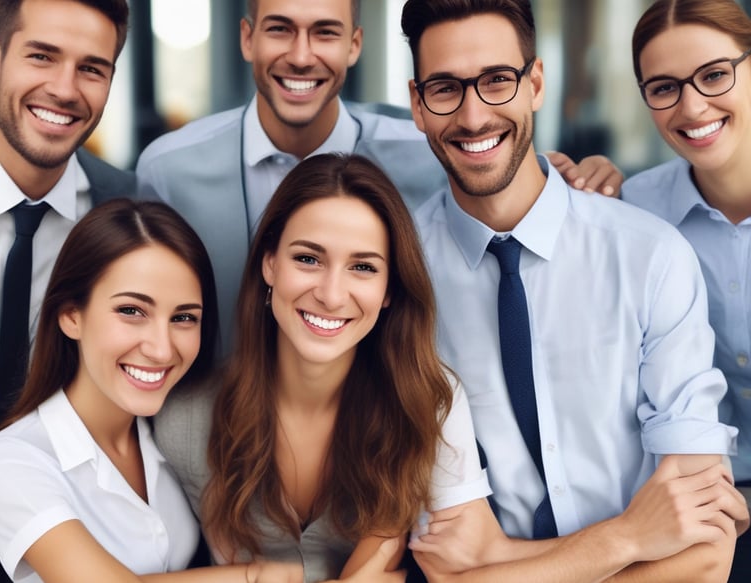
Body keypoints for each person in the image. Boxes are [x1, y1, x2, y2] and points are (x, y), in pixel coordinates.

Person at [398, 0, 749, 581]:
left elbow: (709, 552)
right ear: (417, 104)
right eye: (444, 89)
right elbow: (446, 566)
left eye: (497, 80)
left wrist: (499, 565)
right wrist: (630, 537)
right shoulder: (396, 277)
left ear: (535, 83)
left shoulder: (650, 256)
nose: (473, 115)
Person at [135, 0, 621, 352]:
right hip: (222, 428)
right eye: (280, 29)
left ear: (355, 45)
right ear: (247, 38)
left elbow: (497, 159)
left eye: (325, 32)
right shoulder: (169, 170)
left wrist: (577, 175)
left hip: (380, 421)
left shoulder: (430, 149)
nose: (301, 56)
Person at [154, 153, 492, 582]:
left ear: (389, 289)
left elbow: (458, 565)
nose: (331, 295)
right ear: (270, 263)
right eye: (308, 259)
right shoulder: (183, 419)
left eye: (363, 267)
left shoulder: (427, 400)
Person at [0, 199, 306, 583]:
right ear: (71, 316)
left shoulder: (180, 433)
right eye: (132, 311)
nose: (162, 349)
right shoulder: (11, 462)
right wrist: (259, 575)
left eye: (183, 318)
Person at [0, 0, 134, 580]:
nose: (65, 89)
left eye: (91, 68)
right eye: (42, 57)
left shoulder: (128, 209)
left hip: (63, 531)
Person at [611, 1, 751, 580]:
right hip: (701, 508)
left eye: (715, 75)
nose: (692, 107)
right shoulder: (632, 211)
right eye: (664, 88)